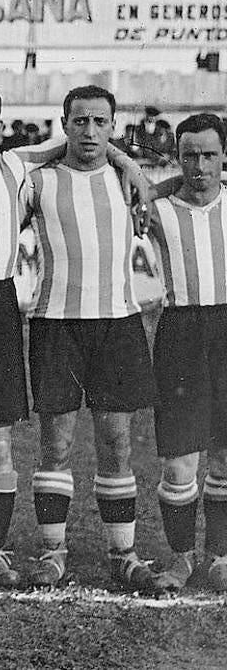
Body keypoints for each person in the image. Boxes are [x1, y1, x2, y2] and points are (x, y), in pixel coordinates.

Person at [0, 83, 148, 588]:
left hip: (1, 310)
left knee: (0, 443)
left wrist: (129, 163)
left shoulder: (15, 168)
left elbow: (87, 143)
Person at [22, 86, 158, 591]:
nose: (89, 131)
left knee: (117, 444)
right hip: (56, 324)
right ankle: (52, 551)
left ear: (113, 127)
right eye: (80, 121)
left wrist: (130, 165)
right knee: (54, 444)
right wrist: (129, 160)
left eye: (100, 122)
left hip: (117, 324)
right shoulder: (37, 182)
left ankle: (123, 553)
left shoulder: (129, 184)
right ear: (64, 123)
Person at [145, 114, 227, 593]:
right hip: (180, 331)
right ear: (177, 159)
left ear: (222, 157)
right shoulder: (157, 209)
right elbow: (125, 177)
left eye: (209, 155)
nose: (200, 165)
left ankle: (219, 555)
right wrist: (159, 184)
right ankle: (180, 557)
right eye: (190, 155)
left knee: (224, 458)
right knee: (179, 464)